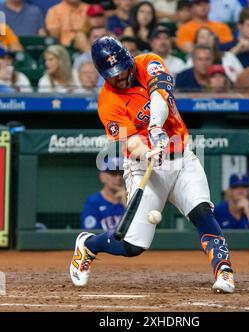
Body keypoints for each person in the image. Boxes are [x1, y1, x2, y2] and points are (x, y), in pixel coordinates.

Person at [69, 36, 235, 294]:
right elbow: (131, 142)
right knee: (133, 246)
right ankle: (89, 245)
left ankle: (224, 271)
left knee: (202, 211)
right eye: (113, 75)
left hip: (181, 157)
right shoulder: (108, 103)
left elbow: (160, 93)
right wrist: (146, 152)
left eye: (122, 69)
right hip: (144, 165)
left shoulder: (150, 62)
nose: (120, 77)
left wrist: (156, 125)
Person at [81, 157, 125, 230]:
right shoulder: (94, 202)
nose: (118, 178)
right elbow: (91, 234)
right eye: (113, 173)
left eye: (122, 173)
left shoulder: (132, 199)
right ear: (102, 176)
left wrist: (128, 205)